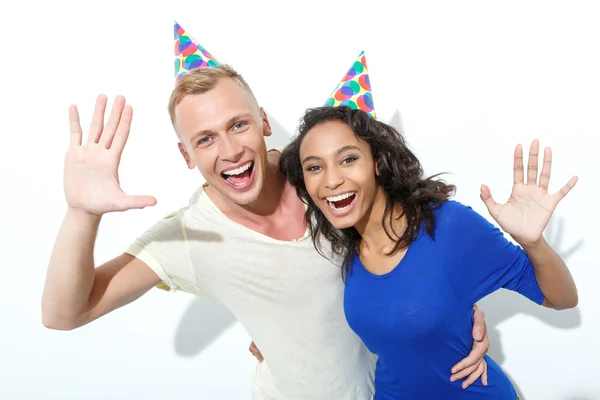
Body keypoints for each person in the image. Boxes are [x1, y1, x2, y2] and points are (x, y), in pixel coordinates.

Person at [42, 65, 492, 399]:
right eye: (205, 139)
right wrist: (81, 213)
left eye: (237, 125)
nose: (231, 150)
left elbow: (412, 241)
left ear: (261, 121)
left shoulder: (322, 175)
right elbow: (65, 314)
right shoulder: (188, 235)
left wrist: (455, 313)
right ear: (185, 154)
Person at [278, 105, 579, 399]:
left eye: (348, 159)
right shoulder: (337, 246)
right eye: (314, 167)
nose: (331, 180)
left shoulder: (446, 226)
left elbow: (561, 298)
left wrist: (532, 243)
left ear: (377, 163)